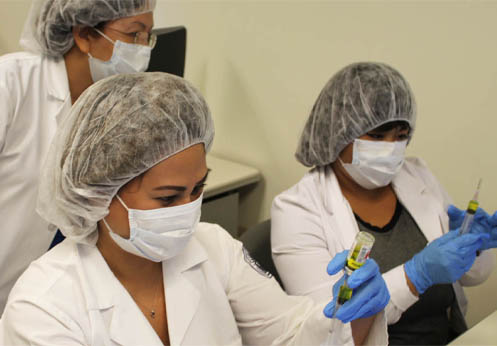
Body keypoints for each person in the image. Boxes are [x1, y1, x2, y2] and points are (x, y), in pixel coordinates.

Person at [0, 72, 390, 345]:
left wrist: (350, 309)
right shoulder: (43, 306)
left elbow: (291, 336)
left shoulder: (213, 248)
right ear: (99, 192)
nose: (189, 210)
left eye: (198, 189)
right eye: (168, 198)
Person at [271, 62, 497, 345]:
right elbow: (333, 327)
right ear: (337, 132)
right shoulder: (296, 209)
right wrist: (416, 275)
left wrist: (471, 244)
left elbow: (472, 278)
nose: (391, 148)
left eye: (400, 137)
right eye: (377, 136)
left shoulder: (417, 175)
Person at [0, 0, 156, 314]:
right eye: (133, 35)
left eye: (148, 37)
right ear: (84, 34)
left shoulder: (116, 103)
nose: (142, 50)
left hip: (49, 296)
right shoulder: (11, 82)